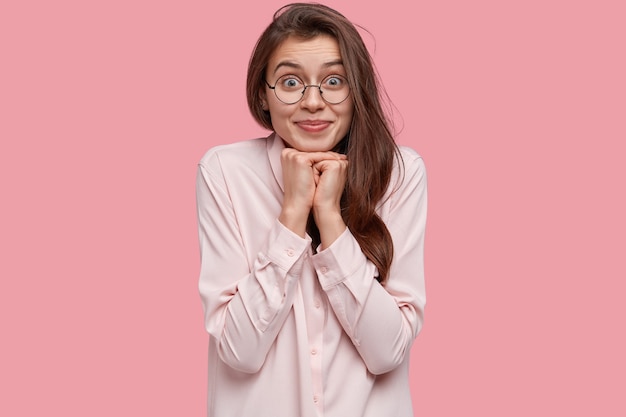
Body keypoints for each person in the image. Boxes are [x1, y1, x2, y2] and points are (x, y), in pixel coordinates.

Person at [196, 3, 427, 416]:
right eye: (290, 82)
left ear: (356, 92)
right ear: (263, 96)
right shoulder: (225, 172)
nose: (314, 102)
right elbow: (239, 350)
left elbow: (387, 351)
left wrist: (330, 220)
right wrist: (292, 214)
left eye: (334, 81)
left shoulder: (400, 173)